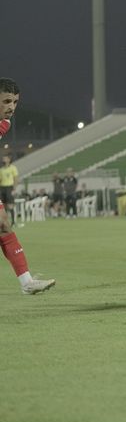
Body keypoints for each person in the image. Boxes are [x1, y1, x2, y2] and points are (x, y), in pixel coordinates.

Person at [0, 78, 55, 294]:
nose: (11, 107)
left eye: (14, 102)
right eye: (6, 101)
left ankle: (27, 282)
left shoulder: (4, 124)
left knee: (4, 226)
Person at [0, 155, 19, 226]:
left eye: (5, 158)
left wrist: (14, 189)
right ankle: (4, 222)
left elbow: (16, 178)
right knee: (3, 206)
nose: (3, 159)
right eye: (3, 158)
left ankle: (13, 222)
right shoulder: (1, 170)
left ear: (9, 159)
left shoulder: (13, 168)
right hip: (2, 188)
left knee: (10, 205)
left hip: (9, 187)